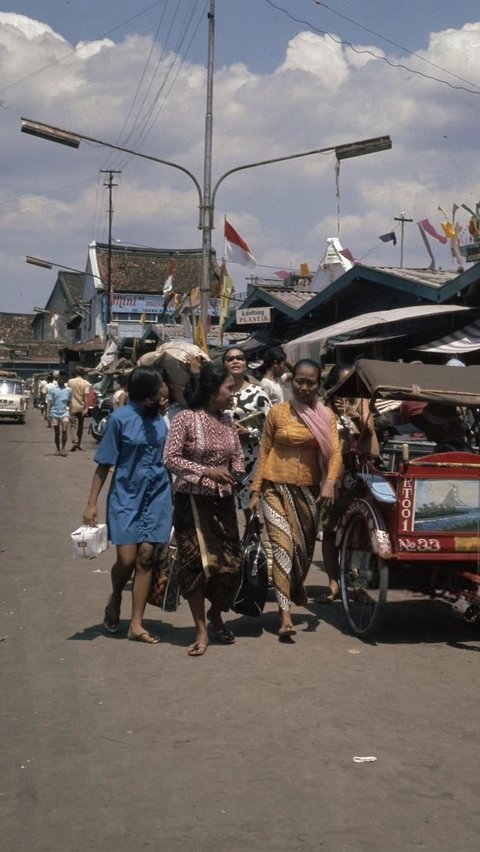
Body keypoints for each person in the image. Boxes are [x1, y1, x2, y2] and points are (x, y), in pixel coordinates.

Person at [249, 358, 342, 639]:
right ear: (291, 381)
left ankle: (290, 592)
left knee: (301, 556)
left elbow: (336, 452)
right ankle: (285, 615)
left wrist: (329, 483)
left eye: (310, 382)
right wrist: (256, 490)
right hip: (275, 488)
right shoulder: (277, 413)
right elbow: (264, 451)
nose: (303, 387)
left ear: (317, 384)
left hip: (309, 493)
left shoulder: (327, 416)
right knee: (282, 548)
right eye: (299, 381)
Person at [83, 367, 172, 644]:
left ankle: (136, 624)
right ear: (148, 391)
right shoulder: (119, 420)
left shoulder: (161, 419)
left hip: (157, 495)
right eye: (160, 386)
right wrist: (91, 504)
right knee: (127, 559)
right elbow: (104, 464)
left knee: (146, 557)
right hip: (126, 495)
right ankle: (115, 598)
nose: (164, 390)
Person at [164, 363, 244, 657]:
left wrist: (234, 475)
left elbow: (237, 458)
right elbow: (170, 458)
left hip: (222, 504)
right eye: (229, 389)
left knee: (230, 566)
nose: (233, 395)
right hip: (191, 503)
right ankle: (201, 629)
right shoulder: (185, 419)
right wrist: (205, 471)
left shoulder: (228, 421)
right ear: (212, 390)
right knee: (196, 567)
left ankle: (216, 612)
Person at [221, 346, 271, 519]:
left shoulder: (258, 393)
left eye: (240, 358)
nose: (235, 361)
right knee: (225, 506)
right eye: (230, 359)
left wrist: (250, 432)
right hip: (223, 459)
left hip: (251, 459)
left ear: (246, 363)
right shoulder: (218, 394)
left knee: (251, 508)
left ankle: (252, 541)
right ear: (224, 364)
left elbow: (272, 426)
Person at [46, 371, 71, 456]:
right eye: (60, 379)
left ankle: (63, 449)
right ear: (57, 379)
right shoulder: (52, 390)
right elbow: (49, 401)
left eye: (63, 379)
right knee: (57, 432)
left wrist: (70, 414)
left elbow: (70, 402)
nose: (61, 380)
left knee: (64, 431)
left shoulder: (69, 390)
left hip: (65, 413)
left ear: (65, 380)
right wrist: (47, 413)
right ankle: (58, 449)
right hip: (55, 413)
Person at [68, 366, 91, 451]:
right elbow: (85, 396)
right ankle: (79, 444)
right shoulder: (86, 383)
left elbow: (68, 394)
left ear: (75, 373)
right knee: (80, 426)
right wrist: (86, 408)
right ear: (83, 374)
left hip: (73, 407)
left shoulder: (70, 382)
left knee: (72, 425)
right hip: (81, 407)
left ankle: (75, 441)